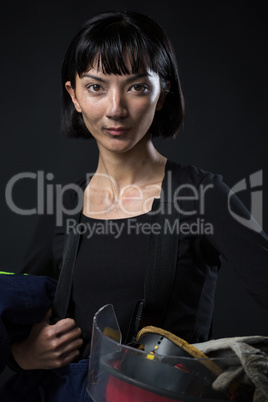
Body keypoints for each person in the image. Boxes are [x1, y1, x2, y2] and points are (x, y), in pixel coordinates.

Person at [2, 9, 268, 402]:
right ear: (73, 95)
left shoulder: (203, 195)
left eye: (136, 87)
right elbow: (18, 314)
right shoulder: (65, 204)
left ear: (164, 94)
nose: (115, 109)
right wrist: (22, 355)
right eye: (96, 87)